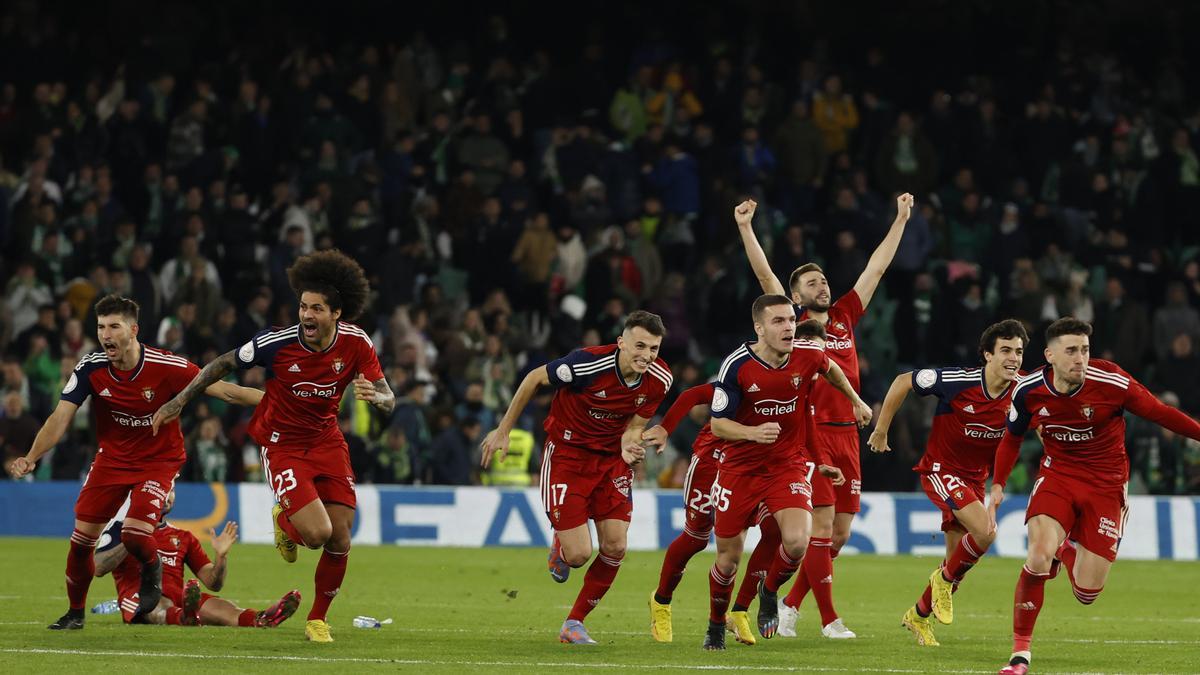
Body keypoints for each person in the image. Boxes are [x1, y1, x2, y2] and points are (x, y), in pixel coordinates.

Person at [150, 250, 395, 643]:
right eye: (303, 306)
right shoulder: (276, 343)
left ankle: (317, 619)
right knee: (316, 534)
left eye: (317, 308)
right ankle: (284, 521)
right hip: (283, 445)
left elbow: (389, 398)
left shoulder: (356, 343)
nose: (307, 315)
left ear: (337, 313)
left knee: (341, 538)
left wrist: (379, 398)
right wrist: (179, 401)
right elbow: (221, 365)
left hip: (327, 441)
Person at [6, 294, 263, 629]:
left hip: (159, 461)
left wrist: (280, 403)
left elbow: (226, 391)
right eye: (101, 327)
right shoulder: (90, 368)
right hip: (112, 461)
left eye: (114, 326)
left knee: (135, 532)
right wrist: (31, 456)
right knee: (81, 542)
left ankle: (152, 574)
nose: (106, 335)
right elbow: (60, 417)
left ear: (133, 330)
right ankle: (75, 613)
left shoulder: (167, 366)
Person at [735, 193, 913, 639]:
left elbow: (876, 267)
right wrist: (745, 228)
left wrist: (901, 219)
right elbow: (762, 274)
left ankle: (789, 603)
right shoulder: (790, 322)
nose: (822, 286)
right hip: (809, 436)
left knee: (838, 537)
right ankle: (830, 620)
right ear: (795, 295)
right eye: (812, 283)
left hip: (848, 435)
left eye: (823, 281)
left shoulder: (846, 316)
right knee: (822, 525)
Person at [992, 318, 1200, 675]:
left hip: (1106, 484)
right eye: (1071, 350)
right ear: (1050, 356)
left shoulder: (1112, 382)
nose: (1080, 359)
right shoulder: (1027, 390)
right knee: (1037, 555)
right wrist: (997, 485)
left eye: (1085, 350)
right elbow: (1012, 437)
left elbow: (1161, 413)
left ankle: (1065, 549)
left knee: (1087, 593)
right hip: (1058, 475)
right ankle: (1019, 654)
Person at [479, 310, 673, 645]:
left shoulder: (659, 379)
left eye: (654, 348)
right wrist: (504, 430)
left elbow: (635, 426)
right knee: (579, 555)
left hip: (611, 462)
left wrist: (630, 445)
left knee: (615, 545)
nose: (647, 355)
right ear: (621, 343)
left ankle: (574, 622)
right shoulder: (586, 365)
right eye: (640, 346)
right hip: (568, 457)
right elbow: (533, 379)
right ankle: (562, 545)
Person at [703, 297, 871, 650]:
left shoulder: (807, 354)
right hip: (739, 469)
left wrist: (855, 399)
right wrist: (752, 433)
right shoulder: (736, 365)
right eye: (778, 321)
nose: (788, 327)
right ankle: (716, 623)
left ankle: (770, 591)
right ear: (759, 328)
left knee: (796, 542)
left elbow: (832, 369)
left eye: (791, 321)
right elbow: (718, 425)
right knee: (728, 560)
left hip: (786, 465)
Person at [867, 319, 1029, 646]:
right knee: (985, 532)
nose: (1014, 358)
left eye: (1020, 351)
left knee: (959, 565)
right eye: (1006, 350)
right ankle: (940, 582)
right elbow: (902, 381)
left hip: (975, 479)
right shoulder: (958, 381)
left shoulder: (1023, 391)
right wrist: (881, 428)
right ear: (987, 354)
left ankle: (918, 615)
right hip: (942, 470)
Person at [94, 490, 300, 628]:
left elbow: (213, 582)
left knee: (223, 607)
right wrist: (133, 538)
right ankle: (185, 616)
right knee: (160, 606)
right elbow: (98, 567)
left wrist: (221, 557)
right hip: (140, 598)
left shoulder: (183, 537)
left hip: (183, 598)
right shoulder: (119, 528)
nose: (167, 496)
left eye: (171, 490)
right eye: (162, 490)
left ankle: (261, 619)